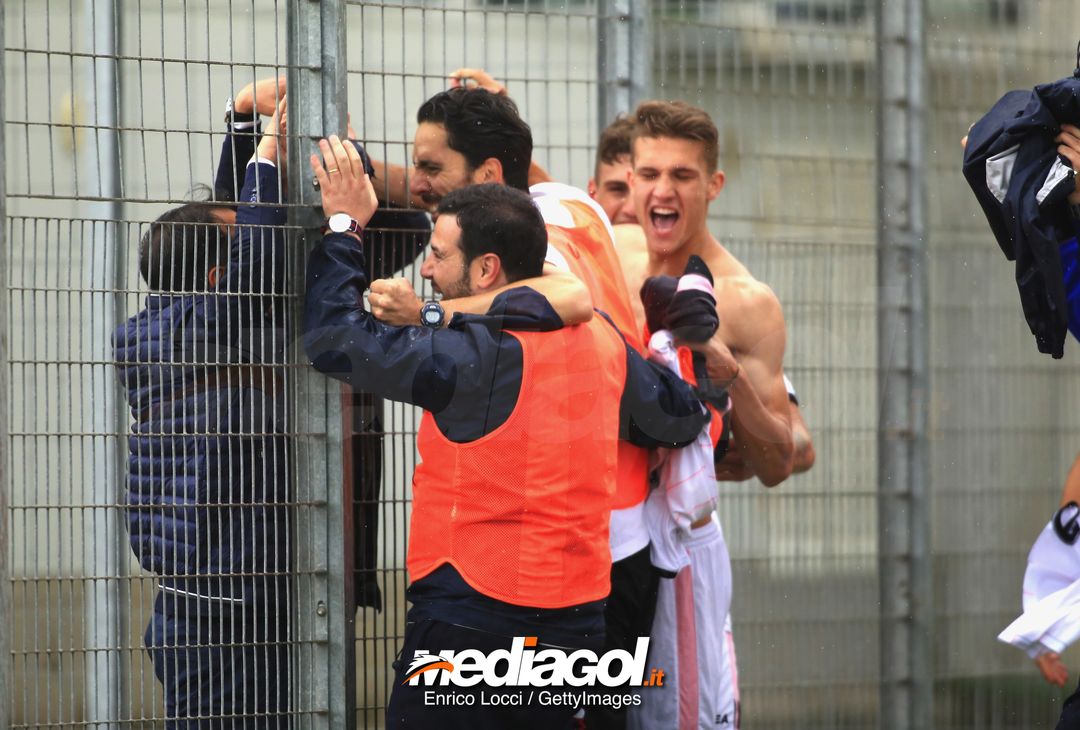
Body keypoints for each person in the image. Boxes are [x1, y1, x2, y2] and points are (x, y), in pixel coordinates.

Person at [301, 134, 713, 726]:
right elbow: (675, 418)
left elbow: (334, 341)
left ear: (488, 267)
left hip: (474, 622)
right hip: (578, 627)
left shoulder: (474, 353)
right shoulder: (600, 339)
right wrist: (703, 379)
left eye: (439, 254)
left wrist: (344, 224)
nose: (427, 268)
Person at [365, 78, 671, 730]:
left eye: (431, 168)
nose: (419, 185)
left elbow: (566, 299)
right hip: (603, 535)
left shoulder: (538, 253)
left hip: (552, 555)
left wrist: (431, 311)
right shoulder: (570, 205)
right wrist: (501, 117)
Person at [114, 94, 290, 727]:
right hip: (224, 610)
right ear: (218, 277)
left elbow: (236, 245)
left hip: (202, 599)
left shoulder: (167, 327)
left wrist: (243, 124)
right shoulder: (208, 326)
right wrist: (266, 158)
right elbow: (256, 257)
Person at [590, 113, 815, 477]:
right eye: (649, 175)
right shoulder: (613, 251)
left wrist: (730, 376)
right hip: (599, 515)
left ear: (714, 185)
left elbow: (777, 466)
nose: (663, 190)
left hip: (674, 525)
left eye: (682, 175)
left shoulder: (746, 301)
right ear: (633, 181)